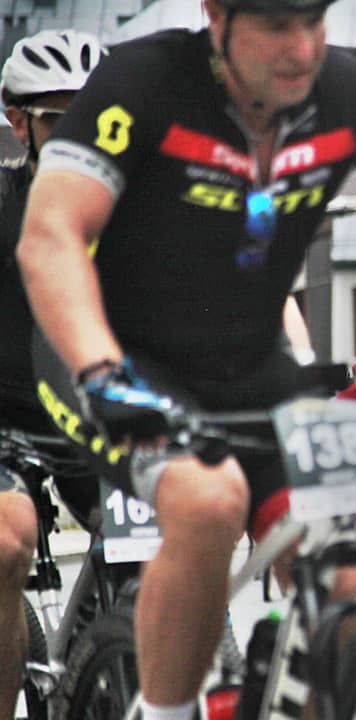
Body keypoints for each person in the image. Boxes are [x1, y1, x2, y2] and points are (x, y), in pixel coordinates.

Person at [16, 5, 356, 719]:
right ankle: (166, 710)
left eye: (314, 20)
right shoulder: (143, 82)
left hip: (249, 364)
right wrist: (100, 372)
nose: (302, 47)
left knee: (344, 584)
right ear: (216, 14)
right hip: (112, 355)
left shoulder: (341, 91)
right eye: (278, 24)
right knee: (210, 501)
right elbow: (50, 237)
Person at [0, 29, 106, 719]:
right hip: (7, 426)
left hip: (101, 421)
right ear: (20, 123)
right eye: (57, 116)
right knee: (7, 538)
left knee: (188, 528)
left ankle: (108, 654)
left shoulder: (142, 211)